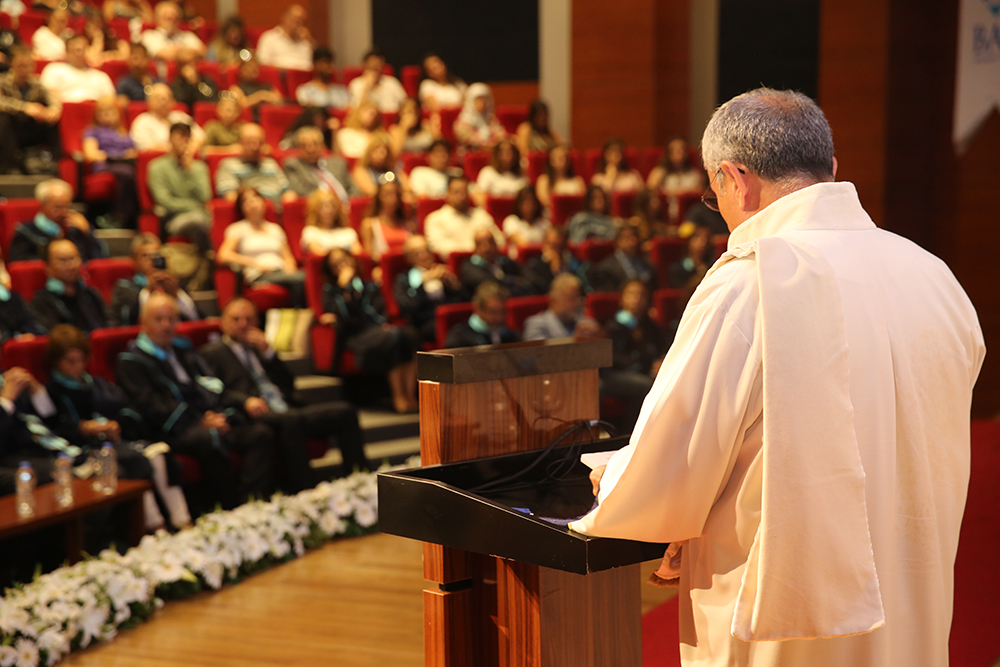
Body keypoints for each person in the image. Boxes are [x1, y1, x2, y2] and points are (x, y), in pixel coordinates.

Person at [571, 88, 985, 667]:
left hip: (788, 622)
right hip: (912, 597)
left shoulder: (754, 280)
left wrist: (615, 481)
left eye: (716, 194)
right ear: (832, 170)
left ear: (734, 178)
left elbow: (678, 453)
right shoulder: (934, 276)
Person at [116, 293, 277, 509]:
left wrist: (216, 414)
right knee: (209, 437)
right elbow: (153, 407)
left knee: (260, 433)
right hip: (169, 430)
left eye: (171, 319)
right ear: (143, 323)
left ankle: (251, 503)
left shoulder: (183, 350)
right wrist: (200, 421)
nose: (166, 325)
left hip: (205, 419)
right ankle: (230, 508)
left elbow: (209, 385)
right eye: (159, 319)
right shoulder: (131, 360)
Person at [43, 324, 191, 531]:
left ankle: (182, 520)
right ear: (56, 361)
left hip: (115, 441)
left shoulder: (96, 384)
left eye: (82, 360)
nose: (78, 367)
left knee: (160, 452)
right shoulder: (52, 391)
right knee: (135, 461)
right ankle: (153, 525)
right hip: (83, 450)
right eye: (70, 361)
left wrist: (118, 424)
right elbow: (52, 427)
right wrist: (83, 427)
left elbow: (125, 409)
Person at [204, 298, 370, 480]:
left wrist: (269, 352)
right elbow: (213, 391)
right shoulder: (213, 353)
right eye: (236, 319)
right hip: (253, 415)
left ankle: (358, 477)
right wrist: (244, 401)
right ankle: (304, 487)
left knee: (344, 411)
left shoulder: (260, 348)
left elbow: (289, 384)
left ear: (258, 322)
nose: (244, 324)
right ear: (223, 323)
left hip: (287, 408)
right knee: (291, 421)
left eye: (249, 319)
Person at [320, 248, 419, 413]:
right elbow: (343, 316)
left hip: (375, 329)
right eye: (336, 265)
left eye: (344, 260)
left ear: (352, 261)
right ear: (331, 271)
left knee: (409, 334)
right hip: (354, 335)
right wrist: (344, 288)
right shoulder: (331, 290)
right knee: (391, 338)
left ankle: (410, 395)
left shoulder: (369, 285)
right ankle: (398, 396)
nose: (342, 266)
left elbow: (379, 310)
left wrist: (382, 324)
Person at [216, 187, 305, 307]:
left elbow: (288, 258)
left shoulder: (275, 229)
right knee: (301, 279)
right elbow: (224, 255)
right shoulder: (238, 229)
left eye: (255, 198)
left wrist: (290, 267)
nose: (252, 203)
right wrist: (255, 263)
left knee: (306, 277)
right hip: (258, 275)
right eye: (246, 201)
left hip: (281, 272)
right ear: (241, 208)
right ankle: (297, 320)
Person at [599, 279, 667, 430]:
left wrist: (660, 361)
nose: (637, 299)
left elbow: (660, 348)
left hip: (642, 372)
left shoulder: (649, 325)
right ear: (622, 298)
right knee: (646, 385)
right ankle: (627, 435)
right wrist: (647, 365)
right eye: (632, 294)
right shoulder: (611, 325)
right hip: (614, 374)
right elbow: (613, 357)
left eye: (642, 295)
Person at [147, 122, 212, 252]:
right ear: (170, 138)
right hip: (173, 218)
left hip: (201, 216)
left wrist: (190, 170)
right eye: (180, 136)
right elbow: (164, 200)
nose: (184, 141)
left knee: (201, 220)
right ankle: (208, 256)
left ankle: (203, 261)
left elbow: (205, 196)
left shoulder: (198, 168)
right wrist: (194, 206)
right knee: (197, 220)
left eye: (187, 137)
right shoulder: (157, 167)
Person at [110, 233, 201, 326]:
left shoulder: (174, 284)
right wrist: (148, 291)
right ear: (135, 261)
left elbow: (197, 320)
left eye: (156, 255)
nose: (152, 260)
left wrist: (176, 295)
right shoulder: (125, 287)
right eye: (145, 256)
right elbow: (124, 322)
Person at [9, 179, 106, 262]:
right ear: (43, 205)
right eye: (57, 207)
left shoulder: (76, 229)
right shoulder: (25, 231)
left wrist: (88, 233)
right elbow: (21, 266)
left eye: (66, 206)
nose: (62, 212)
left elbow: (99, 260)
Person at [0, 46, 61, 175]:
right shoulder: (2, 81)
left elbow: (53, 101)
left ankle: (55, 163)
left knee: (53, 119)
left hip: (29, 128)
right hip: (9, 130)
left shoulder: (36, 82)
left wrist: (53, 110)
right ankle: (11, 167)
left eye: (28, 65)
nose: (25, 69)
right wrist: (24, 107)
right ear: (12, 65)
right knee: (4, 118)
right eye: (21, 65)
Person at [395, 235, 464, 344]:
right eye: (417, 253)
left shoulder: (442, 271)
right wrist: (423, 283)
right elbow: (408, 307)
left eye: (427, 250)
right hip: (425, 322)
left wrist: (453, 285)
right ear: (409, 258)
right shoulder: (403, 278)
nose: (424, 255)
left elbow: (463, 299)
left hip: (450, 316)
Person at [81, 96, 138, 228]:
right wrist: (116, 156)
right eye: (102, 112)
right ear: (96, 115)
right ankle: (119, 217)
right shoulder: (93, 131)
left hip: (125, 164)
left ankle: (132, 217)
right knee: (127, 173)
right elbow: (91, 154)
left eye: (111, 111)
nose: (107, 115)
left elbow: (134, 152)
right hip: (104, 166)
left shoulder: (124, 133)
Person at [31, 239, 108, 332]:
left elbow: (107, 327)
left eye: (73, 258)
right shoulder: (42, 302)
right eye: (63, 260)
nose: (70, 265)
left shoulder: (91, 294)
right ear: (48, 267)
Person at [215, 123, 296, 206]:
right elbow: (231, 196)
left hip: (274, 211)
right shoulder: (228, 165)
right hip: (248, 212)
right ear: (240, 143)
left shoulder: (271, 164)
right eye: (250, 142)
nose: (255, 147)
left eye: (260, 142)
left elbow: (288, 191)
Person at [423, 175, 504, 257]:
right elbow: (441, 247)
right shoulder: (435, 218)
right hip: (457, 265)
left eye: (464, 192)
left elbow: (499, 241)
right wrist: (476, 250)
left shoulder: (481, 215)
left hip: (485, 263)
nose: (461, 197)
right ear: (447, 194)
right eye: (456, 192)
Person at [284, 126, 357, 200]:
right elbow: (302, 192)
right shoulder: (293, 166)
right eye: (304, 145)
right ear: (298, 148)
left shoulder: (338, 164)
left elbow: (354, 189)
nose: (310, 149)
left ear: (322, 145)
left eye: (315, 144)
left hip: (347, 206)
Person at [129, 83, 205, 153]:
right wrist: (177, 150)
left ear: (173, 101)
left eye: (167, 98)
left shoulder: (181, 117)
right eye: (158, 98)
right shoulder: (142, 121)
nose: (163, 102)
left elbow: (200, 136)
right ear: (149, 101)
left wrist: (189, 149)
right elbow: (145, 148)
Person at [39, 35, 116, 103]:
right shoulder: (54, 69)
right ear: (67, 52)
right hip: (66, 112)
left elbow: (109, 100)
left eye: (82, 49)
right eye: (75, 50)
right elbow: (48, 95)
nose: (79, 54)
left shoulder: (101, 76)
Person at [522, 273, 599, 341]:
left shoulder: (585, 323)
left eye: (578, 298)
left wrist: (597, 337)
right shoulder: (536, 324)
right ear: (553, 300)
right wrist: (575, 340)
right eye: (571, 298)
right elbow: (540, 355)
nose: (576, 303)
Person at [443, 281, 519, 348]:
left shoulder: (512, 337)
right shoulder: (459, 337)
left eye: (503, 312)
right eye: (493, 312)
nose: (499, 318)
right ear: (478, 309)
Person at [459, 227, 532, 297]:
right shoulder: (469, 267)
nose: (486, 247)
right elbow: (488, 283)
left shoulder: (505, 261)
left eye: (490, 242)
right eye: (481, 244)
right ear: (475, 248)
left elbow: (525, 273)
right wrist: (514, 281)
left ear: (496, 244)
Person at [647, 137, 704, 222]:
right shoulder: (660, 172)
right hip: (665, 213)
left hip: (690, 214)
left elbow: (702, 192)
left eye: (682, 150)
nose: (680, 153)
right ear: (669, 153)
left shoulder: (695, 174)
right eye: (676, 150)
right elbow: (649, 191)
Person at [359, 175, 415, 262]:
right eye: (387, 194)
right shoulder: (369, 224)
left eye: (395, 194)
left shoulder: (407, 224)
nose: (392, 198)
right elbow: (369, 257)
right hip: (386, 268)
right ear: (379, 197)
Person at [588, 223, 656, 293]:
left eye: (635, 237)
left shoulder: (646, 264)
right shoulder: (606, 268)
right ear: (618, 241)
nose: (633, 241)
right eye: (628, 238)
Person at [523, 226, 591, 295]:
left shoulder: (574, 264)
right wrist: (555, 270)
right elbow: (543, 291)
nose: (557, 252)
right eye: (553, 246)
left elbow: (584, 289)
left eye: (560, 247)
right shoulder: (534, 265)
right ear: (544, 245)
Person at [300, 190, 360, 257]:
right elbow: (318, 253)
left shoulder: (348, 232)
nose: (329, 210)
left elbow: (358, 255)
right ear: (315, 209)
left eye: (333, 205)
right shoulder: (310, 231)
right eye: (323, 206)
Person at [256, 4, 313, 71]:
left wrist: (311, 41)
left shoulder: (305, 42)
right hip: (279, 77)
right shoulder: (269, 38)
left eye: (300, 20)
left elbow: (310, 65)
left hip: (303, 78)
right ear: (284, 18)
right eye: (293, 19)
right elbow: (262, 64)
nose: (296, 23)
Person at [140, 0, 204, 60]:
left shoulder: (188, 35)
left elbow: (202, 51)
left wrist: (176, 51)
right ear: (157, 19)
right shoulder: (149, 36)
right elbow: (163, 54)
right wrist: (187, 51)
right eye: (168, 18)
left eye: (175, 18)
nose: (172, 21)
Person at [348, 48, 406, 113]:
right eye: (371, 67)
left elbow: (405, 103)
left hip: (391, 118)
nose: (374, 70)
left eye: (377, 66)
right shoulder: (356, 84)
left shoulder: (392, 82)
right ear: (365, 66)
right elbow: (355, 110)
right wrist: (367, 87)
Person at [473, 138, 528, 206]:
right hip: (493, 212)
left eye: (510, 152)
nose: (507, 155)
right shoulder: (488, 172)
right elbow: (479, 197)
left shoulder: (521, 175)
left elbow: (526, 199)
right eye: (503, 152)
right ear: (496, 154)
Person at [453, 82, 505, 150]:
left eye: (484, 100)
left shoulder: (490, 118)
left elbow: (500, 134)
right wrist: (487, 144)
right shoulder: (463, 122)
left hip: (491, 151)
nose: (482, 103)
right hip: (471, 153)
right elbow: (469, 140)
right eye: (478, 100)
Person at [535, 144, 585, 209]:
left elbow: (584, 202)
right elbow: (544, 201)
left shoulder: (578, 180)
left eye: (564, 156)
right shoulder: (544, 180)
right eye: (557, 157)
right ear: (551, 160)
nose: (561, 159)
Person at [668, 224, 713, 293]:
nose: (703, 243)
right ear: (689, 241)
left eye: (706, 239)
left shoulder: (713, 266)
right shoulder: (678, 268)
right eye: (698, 238)